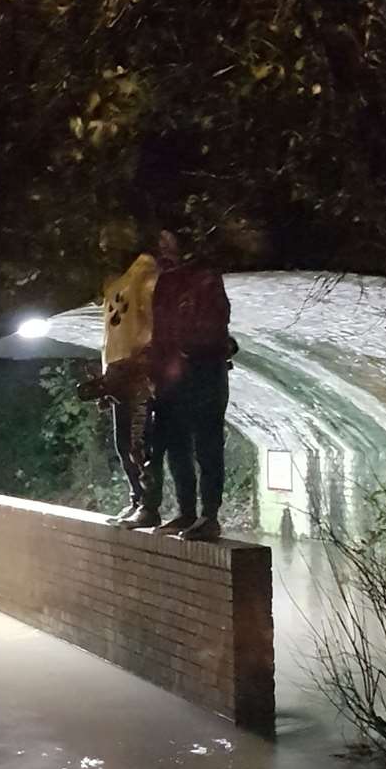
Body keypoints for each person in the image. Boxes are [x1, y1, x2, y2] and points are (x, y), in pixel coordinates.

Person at [145, 228, 233, 542]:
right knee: (174, 442)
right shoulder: (166, 281)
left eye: (167, 238)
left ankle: (209, 515)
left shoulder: (205, 276)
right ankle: (186, 510)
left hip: (203, 369)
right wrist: (156, 369)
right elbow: (159, 329)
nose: (161, 244)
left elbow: (216, 319)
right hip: (172, 375)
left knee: (207, 442)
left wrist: (191, 347)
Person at [83, 245, 163, 528]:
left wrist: (146, 359)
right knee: (123, 443)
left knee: (137, 442)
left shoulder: (143, 275)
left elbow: (154, 319)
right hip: (117, 371)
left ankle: (149, 505)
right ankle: (138, 498)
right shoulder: (115, 284)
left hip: (136, 369)